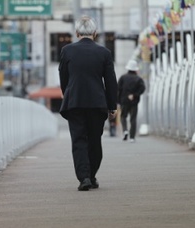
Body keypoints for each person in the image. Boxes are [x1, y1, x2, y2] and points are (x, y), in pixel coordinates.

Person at [58, 16, 118, 191]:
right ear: (95, 33)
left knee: (78, 140)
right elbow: (110, 81)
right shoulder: (104, 53)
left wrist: (68, 95)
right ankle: (92, 175)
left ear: (77, 33)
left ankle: (84, 177)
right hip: (97, 103)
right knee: (94, 140)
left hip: (74, 102)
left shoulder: (67, 51)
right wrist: (112, 105)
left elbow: (64, 78)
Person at [117, 59, 146, 143]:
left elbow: (118, 89)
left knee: (123, 116)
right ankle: (132, 137)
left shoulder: (123, 77)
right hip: (134, 101)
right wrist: (135, 95)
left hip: (124, 101)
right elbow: (142, 88)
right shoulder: (138, 79)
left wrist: (118, 101)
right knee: (133, 118)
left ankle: (125, 131)